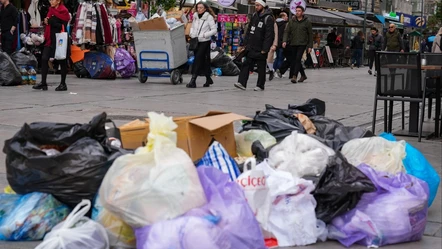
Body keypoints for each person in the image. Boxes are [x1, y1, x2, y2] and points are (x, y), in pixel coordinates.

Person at [234, 0, 274, 91]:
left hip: (261, 47)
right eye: (255, 5)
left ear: (263, 6)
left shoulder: (268, 18)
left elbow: (269, 35)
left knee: (261, 67)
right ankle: (242, 83)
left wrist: (265, 48)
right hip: (251, 46)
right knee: (246, 64)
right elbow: (249, 31)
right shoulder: (254, 16)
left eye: (258, 5)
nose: (256, 7)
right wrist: (245, 43)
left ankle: (260, 85)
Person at [32, 0, 70, 91]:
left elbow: (63, 26)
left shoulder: (63, 11)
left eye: (53, 0)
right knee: (44, 58)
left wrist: (52, 22)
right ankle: (43, 83)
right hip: (50, 39)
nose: (51, 1)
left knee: (62, 61)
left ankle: (63, 84)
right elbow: (48, 22)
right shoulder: (50, 10)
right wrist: (46, 21)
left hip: (59, 39)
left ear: (58, 1)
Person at [186, 1, 217, 88]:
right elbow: (192, 27)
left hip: (205, 41)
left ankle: (193, 81)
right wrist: (192, 33)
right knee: (203, 61)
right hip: (196, 41)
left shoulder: (209, 17)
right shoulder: (195, 16)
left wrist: (205, 35)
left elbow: (214, 30)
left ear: (205, 9)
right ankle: (208, 78)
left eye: (201, 8)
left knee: (197, 60)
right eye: (198, 8)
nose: (199, 9)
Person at [282, 5, 312, 84]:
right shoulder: (292, 21)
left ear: (302, 12)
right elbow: (287, 32)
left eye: (299, 11)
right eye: (296, 11)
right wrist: (284, 41)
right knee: (295, 60)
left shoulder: (307, 21)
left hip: (302, 43)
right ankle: (303, 75)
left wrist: (310, 46)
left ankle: (294, 76)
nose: (297, 12)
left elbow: (310, 35)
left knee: (298, 59)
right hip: (293, 43)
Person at [274, 12, 288, 78]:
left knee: (277, 57)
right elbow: (283, 34)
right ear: (282, 17)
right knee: (281, 58)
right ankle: (279, 71)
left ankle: (273, 71)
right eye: (286, 16)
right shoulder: (284, 24)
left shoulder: (275, 23)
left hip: (276, 43)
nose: (287, 17)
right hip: (282, 43)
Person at [266, 8, 278, 81]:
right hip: (263, 43)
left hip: (270, 43)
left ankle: (271, 70)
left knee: (269, 59)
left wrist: (275, 44)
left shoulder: (274, 23)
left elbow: (276, 34)